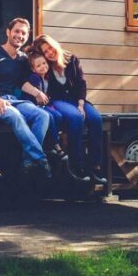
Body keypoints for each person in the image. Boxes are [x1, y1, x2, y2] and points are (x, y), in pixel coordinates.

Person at [0, 17, 51, 177]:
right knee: (15, 115)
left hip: (14, 100)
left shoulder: (23, 59)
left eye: (24, 33)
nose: (20, 35)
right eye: (17, 31)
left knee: (43, 115)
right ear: (8, 32)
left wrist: (37, 93)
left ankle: (28, 161)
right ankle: (40, 158)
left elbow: (22, 83)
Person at [32, 34, 105, 184]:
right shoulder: (46, 66)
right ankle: (77, 166)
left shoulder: (71, 59)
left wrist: (80, 103)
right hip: (58, 100)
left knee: (96, 119)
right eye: (45, 52)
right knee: (76, 118)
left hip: (76, 99)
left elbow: (81, 82)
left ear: (55, 45)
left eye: (50, 48)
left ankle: (94, 167)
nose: (49, 53)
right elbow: (31, 59)